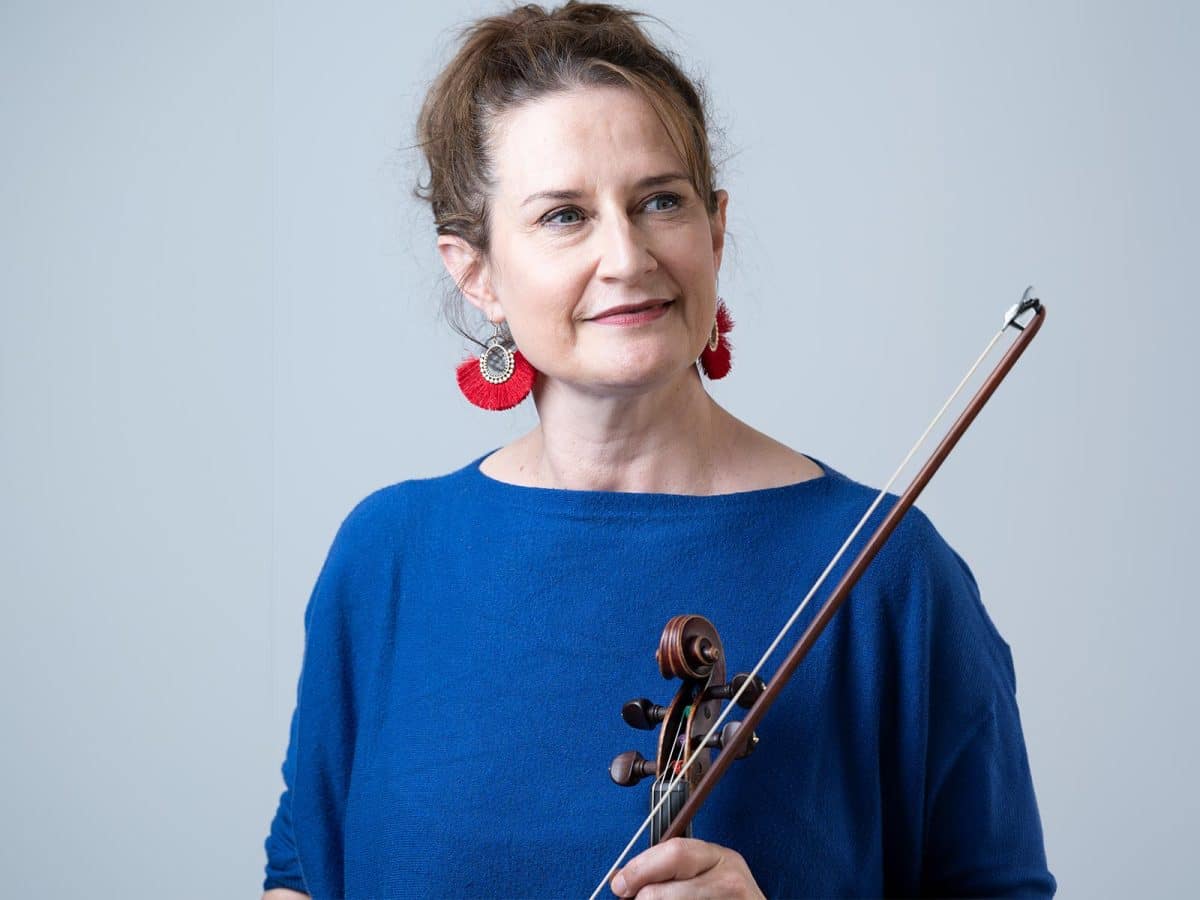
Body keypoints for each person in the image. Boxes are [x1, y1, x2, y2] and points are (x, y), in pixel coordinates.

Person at [262, 2, 1055, 897]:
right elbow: (304, 874)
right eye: (564, 216)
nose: (627, 256)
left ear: (715, 229)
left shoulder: (885, 573)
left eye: (660, 201)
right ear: (475, 271)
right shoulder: (386, 557)